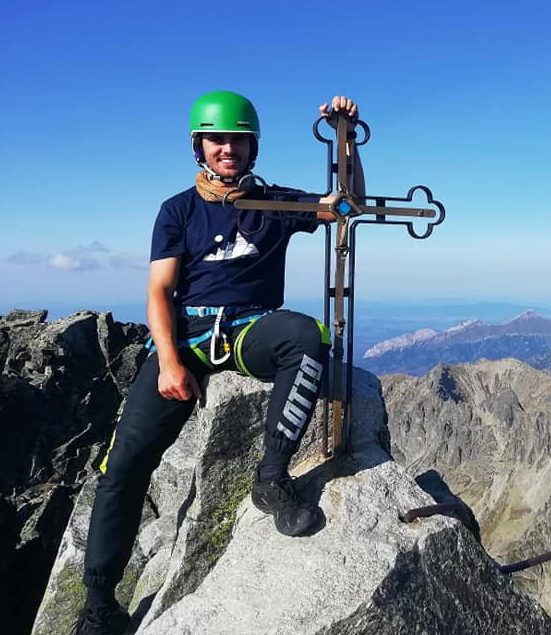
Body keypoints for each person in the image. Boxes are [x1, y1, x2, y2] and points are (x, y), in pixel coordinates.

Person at [74, 90, 362, 634]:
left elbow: (347, 206)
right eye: (216, 139)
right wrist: (166, 362)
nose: (226, 148)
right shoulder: (178, 210)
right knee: (125, 466)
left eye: (236, 139)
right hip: (184, 337)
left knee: (304, 335)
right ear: (199, 147)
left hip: (251, 326)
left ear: (252, 146)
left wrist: (347, 138)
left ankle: (272, 480)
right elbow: (160, 291)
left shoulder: (275, 204)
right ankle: (98, 604)